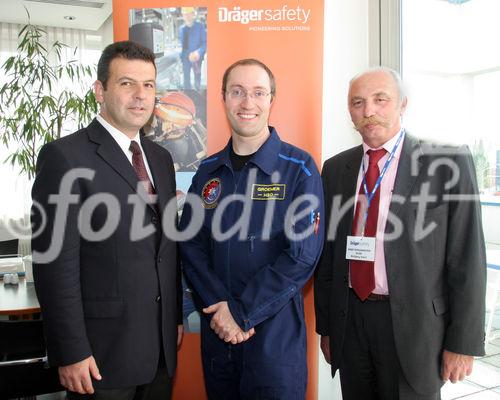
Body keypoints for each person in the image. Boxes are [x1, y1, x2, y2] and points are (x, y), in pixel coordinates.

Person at [314, 66, 486, 399]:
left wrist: (462, 342)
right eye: (358, 102)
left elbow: (468, 259)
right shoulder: (336, 169)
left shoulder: (447, 162)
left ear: (402, 104)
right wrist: (328, 329)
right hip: (351, 322)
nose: (369, 111)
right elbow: (329, 258)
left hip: (416, 326)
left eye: (381, 100)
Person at [31, 41, 183, 399]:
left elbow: (166, 247)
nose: (140, 95)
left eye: (148, 85)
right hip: (100, 357)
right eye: (127, 83)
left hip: (159, 351)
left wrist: (173, 317)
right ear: (100, 90)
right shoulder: (64, 158)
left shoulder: (160, 159)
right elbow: (55, 265)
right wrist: (70, 350)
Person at [179, 59, 324, 399]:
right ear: (223, 98)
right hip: (219, 340)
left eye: (258, 93)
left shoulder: (299, 168)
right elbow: (191, 245)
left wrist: (242, 314)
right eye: (238, 92)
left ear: (271, 99)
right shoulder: (208, 171)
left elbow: (301, 256)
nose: (248, 103)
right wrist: (220, 307)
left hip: (274, 342)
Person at [179, 7, 206, 90]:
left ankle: (198, 94)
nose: (186, 16)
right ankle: (187, 96)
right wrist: (181, 58)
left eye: (188, 13)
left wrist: (198, 52)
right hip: (185, 58)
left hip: (196, 58)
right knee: (186, 79)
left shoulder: (200, 27)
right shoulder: (181, 29)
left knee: (197, 76)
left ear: (193, 14)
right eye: (184, 14)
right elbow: (182, 45)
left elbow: (205, 42)